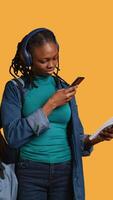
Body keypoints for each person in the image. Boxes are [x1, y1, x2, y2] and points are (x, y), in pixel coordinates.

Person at [1, 28, 113, 200]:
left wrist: (95, 139)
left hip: (65, 171)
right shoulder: (15, 89)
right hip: (30, 172)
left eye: (55, 58)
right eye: (44, 60)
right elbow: (13, 136)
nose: (51, 65)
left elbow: (73, 135)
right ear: (29, 58)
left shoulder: (64, 87)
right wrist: (51, 104)